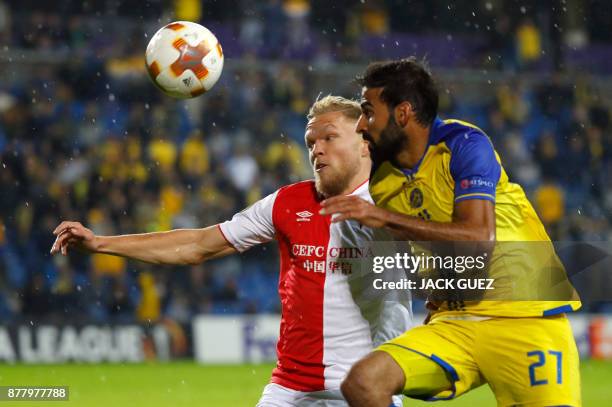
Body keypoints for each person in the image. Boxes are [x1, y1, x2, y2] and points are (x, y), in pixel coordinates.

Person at [50, 95, 409, 407]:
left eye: (330, 137)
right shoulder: (286, 203)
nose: (316, 149)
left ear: (365, 142)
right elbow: (198, 244)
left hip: (369, 388)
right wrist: (101, 243)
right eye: (311, 141)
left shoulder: (399, 202)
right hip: (292, 389)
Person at [320, 59, 582, 406]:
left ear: (403, 114)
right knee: (364, 383)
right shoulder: (383, 182)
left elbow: (478, 240)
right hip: (454, 323)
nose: (362, 126)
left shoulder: (464, 144)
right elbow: (425, 257)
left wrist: (382, 218)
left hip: (524, 317)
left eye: (369, 112)